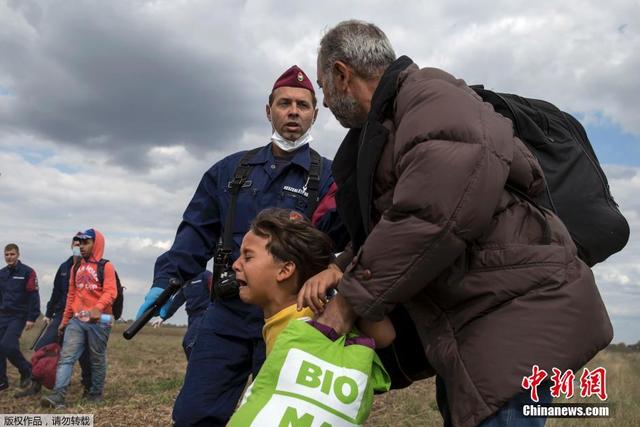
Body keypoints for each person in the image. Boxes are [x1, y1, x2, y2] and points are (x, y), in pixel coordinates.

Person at [313, 20, 613, 427]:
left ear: (341, 74)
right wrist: (343, 262)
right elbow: (400, 217)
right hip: (476, 327)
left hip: (510, 322)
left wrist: (349, 300)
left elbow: (433, 213)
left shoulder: (430, 97)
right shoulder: (396, 120)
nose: (325, 104)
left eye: (322, 87)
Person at [135, 65, 344, 426]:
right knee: (194, 414)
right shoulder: (229, 171)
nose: (293, 111)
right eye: (284, 103)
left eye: (302, 104)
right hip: (227, 312)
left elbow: (340, 239)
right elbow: (196, 231)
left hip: (292, 318)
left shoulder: (330, 177)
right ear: (269, 111)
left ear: (315, 113)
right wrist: (168, 280)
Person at [234, 208, 394, 356]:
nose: (235, 265)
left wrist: (343, 282)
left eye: (248, 257)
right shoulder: (275, 322)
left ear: (284, 270)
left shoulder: (320, 316)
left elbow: (385, 337)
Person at [41, 229, 117, 408]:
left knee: (96, 359)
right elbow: (71, 296)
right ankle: (58, 397)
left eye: (86, 242)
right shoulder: (76, 267)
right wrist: (65, 320)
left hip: (102, 319)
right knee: (66, 358)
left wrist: (97, 309)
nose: (81, 246)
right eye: (79, 243)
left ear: (96, 243)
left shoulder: (106, 266)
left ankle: (95, 394)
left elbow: (111, 291)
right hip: (77, 319)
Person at [16, 235, 92, 398]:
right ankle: (35, 385)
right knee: (41, 347)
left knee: (83, 354)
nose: (78, 246)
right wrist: (49, 313)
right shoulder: (64, 267)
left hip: (83, 316)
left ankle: (89, 388)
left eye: (82, 243)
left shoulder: (92, 266)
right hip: (61, 314)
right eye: (75, 243)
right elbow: (56, 292)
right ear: (71, 245)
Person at [0, 243, 40, 392]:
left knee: (8, 345)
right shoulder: (1, 274)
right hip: (3, 315)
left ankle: (26, 369)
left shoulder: (28, 272)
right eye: (7, 254)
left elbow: (33, 296)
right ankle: (2, 381)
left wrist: (32, 317)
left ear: (18, 255)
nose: (9, 257)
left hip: (18, 316)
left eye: (12, 254)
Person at [152, 270, 213, 359]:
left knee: (189, 342)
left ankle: (197, 369)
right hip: (192, 317)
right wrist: (163, 317)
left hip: (205, 314)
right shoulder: (185, 281)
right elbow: (177, 301)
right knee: (197, 344)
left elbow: (216, 291)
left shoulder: (205, 275)